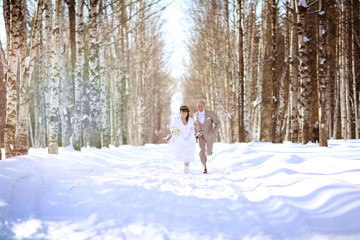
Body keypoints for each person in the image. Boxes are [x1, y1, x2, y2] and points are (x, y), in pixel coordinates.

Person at [194, 100, 221, 174]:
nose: (200, 108)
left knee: (208, 152)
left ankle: (207, 153)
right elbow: (192, 125)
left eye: (201, 106)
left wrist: (214, 131)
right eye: (198, 106)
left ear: (204, 106)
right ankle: (204, 167)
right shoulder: (195, 115)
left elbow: (218, 123)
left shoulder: (210, 113)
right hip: (200, 135)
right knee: (201, 151)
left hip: (209, 135)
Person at [167, 106, 196, 174]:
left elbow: (192, 129)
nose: (183, 114)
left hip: (189, 139)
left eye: (185, 113)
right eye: (182, 113)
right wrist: (173, 131)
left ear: (187, 113)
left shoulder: (191, 120)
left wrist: (191, 135)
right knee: (179, 153)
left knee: (188, 154)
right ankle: (177, 161)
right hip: (179, 138)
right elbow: (171, 127)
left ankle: (186, 169)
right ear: (180, 113)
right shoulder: (176, 119)